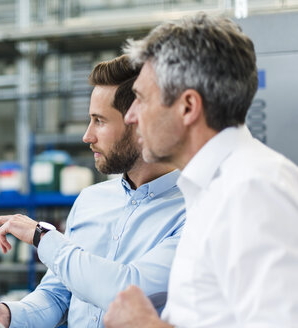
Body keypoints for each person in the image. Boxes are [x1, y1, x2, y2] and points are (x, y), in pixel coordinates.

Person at [0, 55, 186, 328]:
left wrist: (43, 237)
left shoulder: (192, 211)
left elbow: (125, 290)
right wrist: (8, 314)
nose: (87, 136)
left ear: (140, 123)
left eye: (99, 121)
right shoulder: (91, 200)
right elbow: (58, 295)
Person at [103, 12, 298, 328]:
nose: (130, 116)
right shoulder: (212, 189)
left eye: (139, 98)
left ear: (188, 107)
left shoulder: (252, 189)